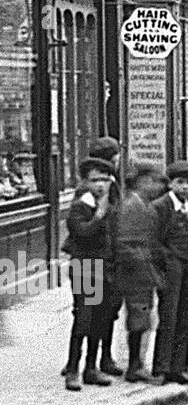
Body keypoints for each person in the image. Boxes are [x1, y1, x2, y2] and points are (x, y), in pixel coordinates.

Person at [63, 157, 116, 391]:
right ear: (85, 181)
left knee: (101, 319)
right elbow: (81, 232)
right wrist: (98, 216)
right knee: (84, 319)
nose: (100, 185)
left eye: (105, 179)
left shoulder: (110, 205)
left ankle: (91, 368)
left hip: (105, 268)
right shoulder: (79, 206)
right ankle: (73, 369)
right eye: (95, 180)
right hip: (84, 268)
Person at [115, 163, 168, 382]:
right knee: (139, 317)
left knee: (143, 317)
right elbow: (124, 243)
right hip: (135, 273)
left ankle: (137, 362)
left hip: (142, 271)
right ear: (143, 182)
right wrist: (142, 263)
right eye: (155, 181)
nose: (158, 187)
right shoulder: (132, 206)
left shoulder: (141, 203)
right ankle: (134, 365)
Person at [151, 161, 188, 384]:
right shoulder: (161, 207)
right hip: (170, 269)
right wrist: (168, 260)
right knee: (168, 317)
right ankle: (161, 368)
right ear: (170, 184)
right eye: (180, 182)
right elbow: (153, 242)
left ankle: (179, 367)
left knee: (186, 316)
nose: (185, 188)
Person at [84, 136, 125, 377]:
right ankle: (87, 363)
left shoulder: (113, 184)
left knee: (109, 308)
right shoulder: (93, 188)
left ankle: (104, 357)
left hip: (111, 254)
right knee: (92, 310)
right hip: (95, 258)